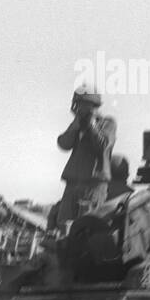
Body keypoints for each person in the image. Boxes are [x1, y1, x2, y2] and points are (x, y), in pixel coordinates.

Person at [54, 86, 116, 229]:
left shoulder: (108, 123)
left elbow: (103, 146)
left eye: (80, 104)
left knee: (86, 229)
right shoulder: (78, 125)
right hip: (73, 184)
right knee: (63, 227)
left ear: (90, 105)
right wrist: (75, 126)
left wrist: (92, 125)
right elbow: (64, 143)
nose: (77, 108)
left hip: (93, 186)